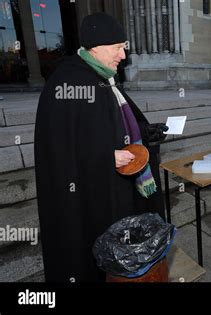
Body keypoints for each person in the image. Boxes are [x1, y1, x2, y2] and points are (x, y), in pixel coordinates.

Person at [34, 13, 168, 282]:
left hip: (116, 191)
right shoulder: (67, 82)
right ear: (96, 46)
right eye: (118, 47)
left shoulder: (106, 78)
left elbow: (117, 122)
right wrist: (105, 157)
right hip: (88, 198)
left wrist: (145, 132)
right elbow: (58, 147)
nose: (123, 55)